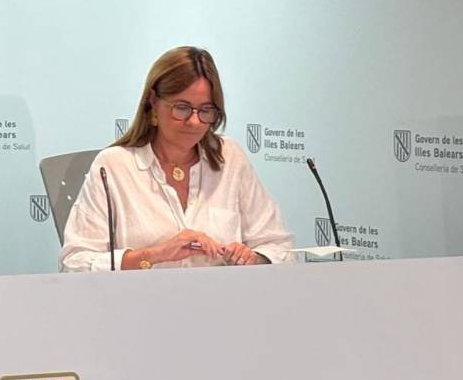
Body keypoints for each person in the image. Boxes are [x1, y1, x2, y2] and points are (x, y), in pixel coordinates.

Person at [60, 46, 294, 272]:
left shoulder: (229, 156)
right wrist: (154, 255)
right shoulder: (113, 166)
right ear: (153, 101)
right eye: (182, 108)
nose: (194, 122)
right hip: (141, 298)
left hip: (222, 297)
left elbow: (279, 247)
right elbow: (74, 263)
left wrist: (254, 258)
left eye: (206, 110)